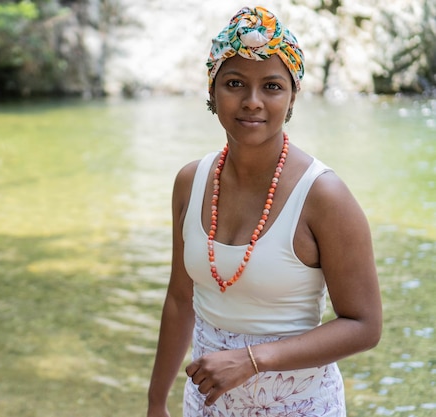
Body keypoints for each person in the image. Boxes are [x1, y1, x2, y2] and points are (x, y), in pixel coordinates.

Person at [146, 6, 382, 417]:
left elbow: (364, 326)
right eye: (234, 83)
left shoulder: (324, 196)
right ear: (212, 91)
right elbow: (180, 299)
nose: (252, 102)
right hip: (207, 406)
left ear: (292, 96)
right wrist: (155, 402)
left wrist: (253, 360)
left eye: (272, 86)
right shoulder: (191, 181)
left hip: (300, 406)